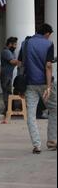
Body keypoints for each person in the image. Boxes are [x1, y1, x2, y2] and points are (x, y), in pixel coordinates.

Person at [18, 24, 56, 153]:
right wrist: (49, 87)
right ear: (47, 33)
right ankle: (52, 141)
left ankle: (37, 145)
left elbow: (20, 63)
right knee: (54, 109)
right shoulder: (48, 44)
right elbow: (48, 66)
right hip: (45, 83)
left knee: (31, 115)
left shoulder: (25, 43)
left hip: (29, 84)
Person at [0, 37, 19, 123]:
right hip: (5, 75)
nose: (15, 46)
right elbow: (13, 62)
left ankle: (9, 109)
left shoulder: (12, 52)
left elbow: (15, 62)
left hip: (9, 75)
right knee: (6, 92)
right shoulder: (6, 52)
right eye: (14, 44)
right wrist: (22, 60)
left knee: (9, 92)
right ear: (10, 44)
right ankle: (7, 110)